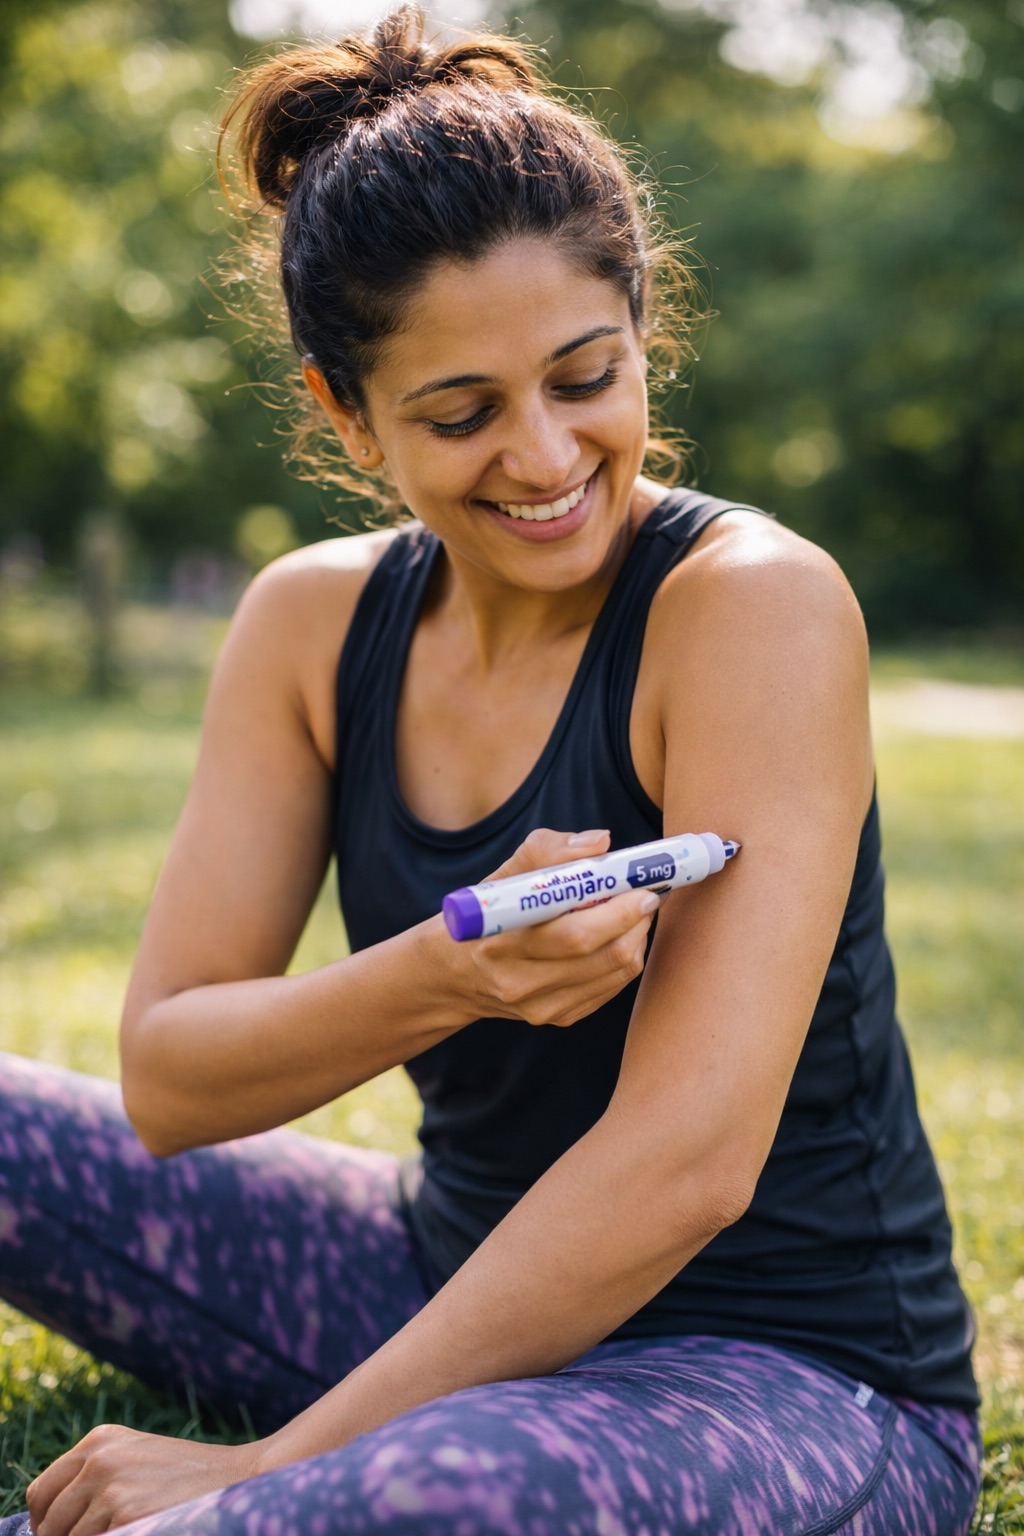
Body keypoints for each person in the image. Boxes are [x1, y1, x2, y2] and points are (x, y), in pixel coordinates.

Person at [0, 7, 981, 1533]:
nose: (541, 456)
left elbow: (690, 1163)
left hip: (783, 1372)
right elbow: (170, 1078)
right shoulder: (310, 624)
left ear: (645, 329)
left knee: (448, 1488)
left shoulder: (749, 606)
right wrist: (448, 975)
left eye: (585, 377)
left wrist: (267, 1465)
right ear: (346, 412)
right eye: (460, 414)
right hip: (444, 1287)